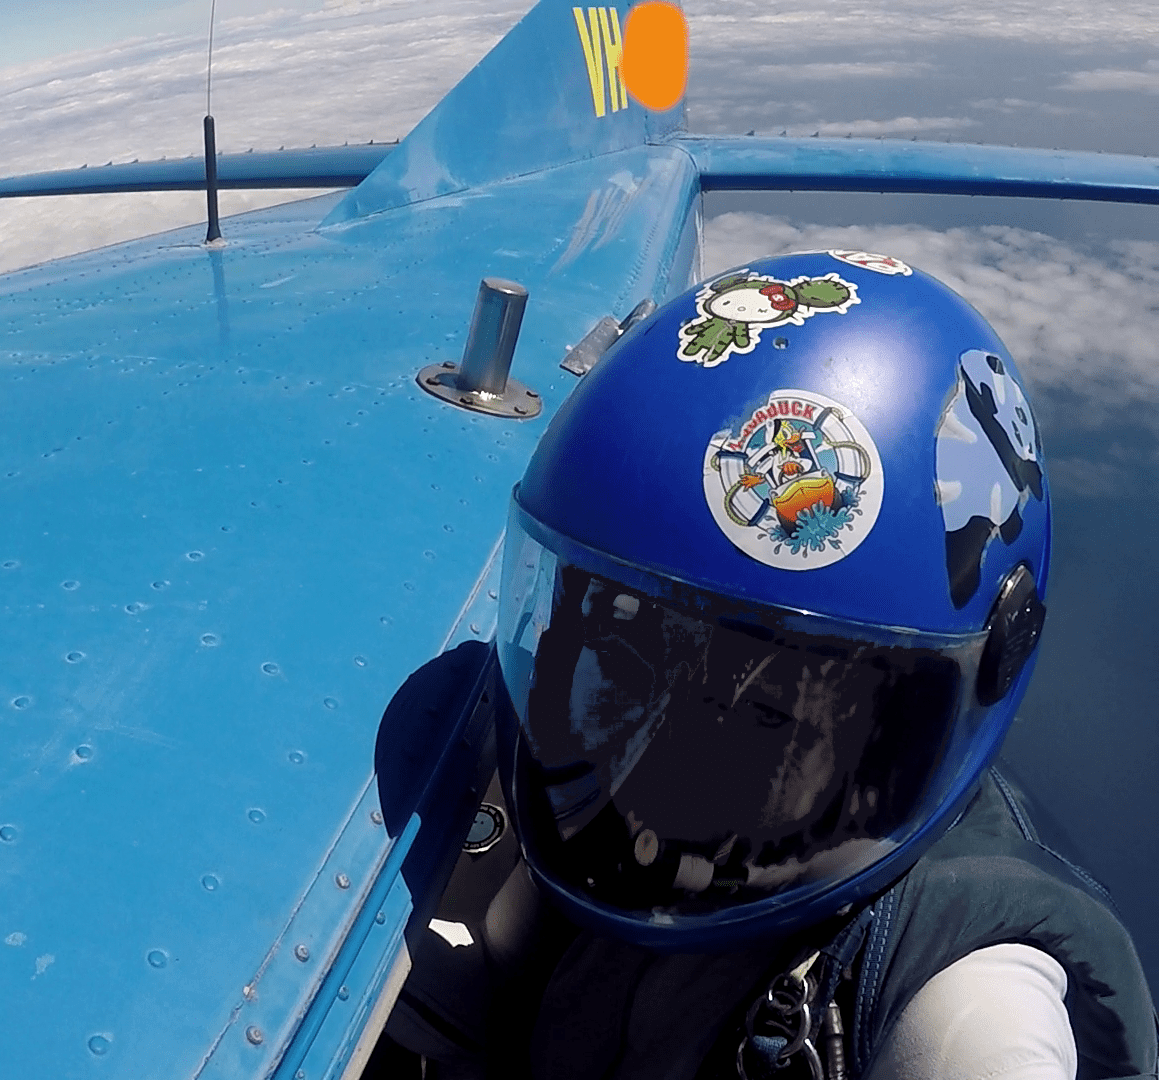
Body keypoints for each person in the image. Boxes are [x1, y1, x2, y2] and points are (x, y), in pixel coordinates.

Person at [375, 252, 1157, 1080]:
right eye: (634, 658)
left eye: (773, 717)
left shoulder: (961, 1009)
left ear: (907, 736)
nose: (665, 765)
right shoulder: (589, 821)